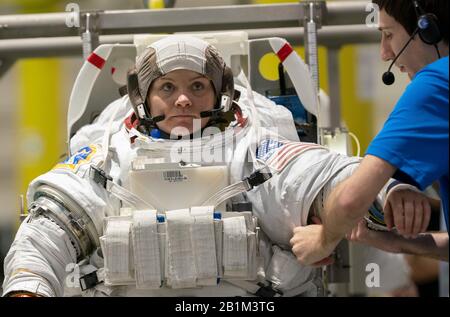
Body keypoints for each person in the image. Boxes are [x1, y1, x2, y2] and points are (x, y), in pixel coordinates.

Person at [1, 35, 414, 297]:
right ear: (142, 99)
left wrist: (386, 195)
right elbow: (46, 235)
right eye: (168, 87)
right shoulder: (107, 158)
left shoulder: (253, 151)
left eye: (198, 86)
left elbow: (324, 180)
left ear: (220, 94)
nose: (183, 100)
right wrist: (27, 289)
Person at [290, 0, 449, 266]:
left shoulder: (436, 85)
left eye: (388, 35)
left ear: (427, 29)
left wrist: (321, 241)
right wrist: (395, 243)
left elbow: (351, 200)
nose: (385, 53)